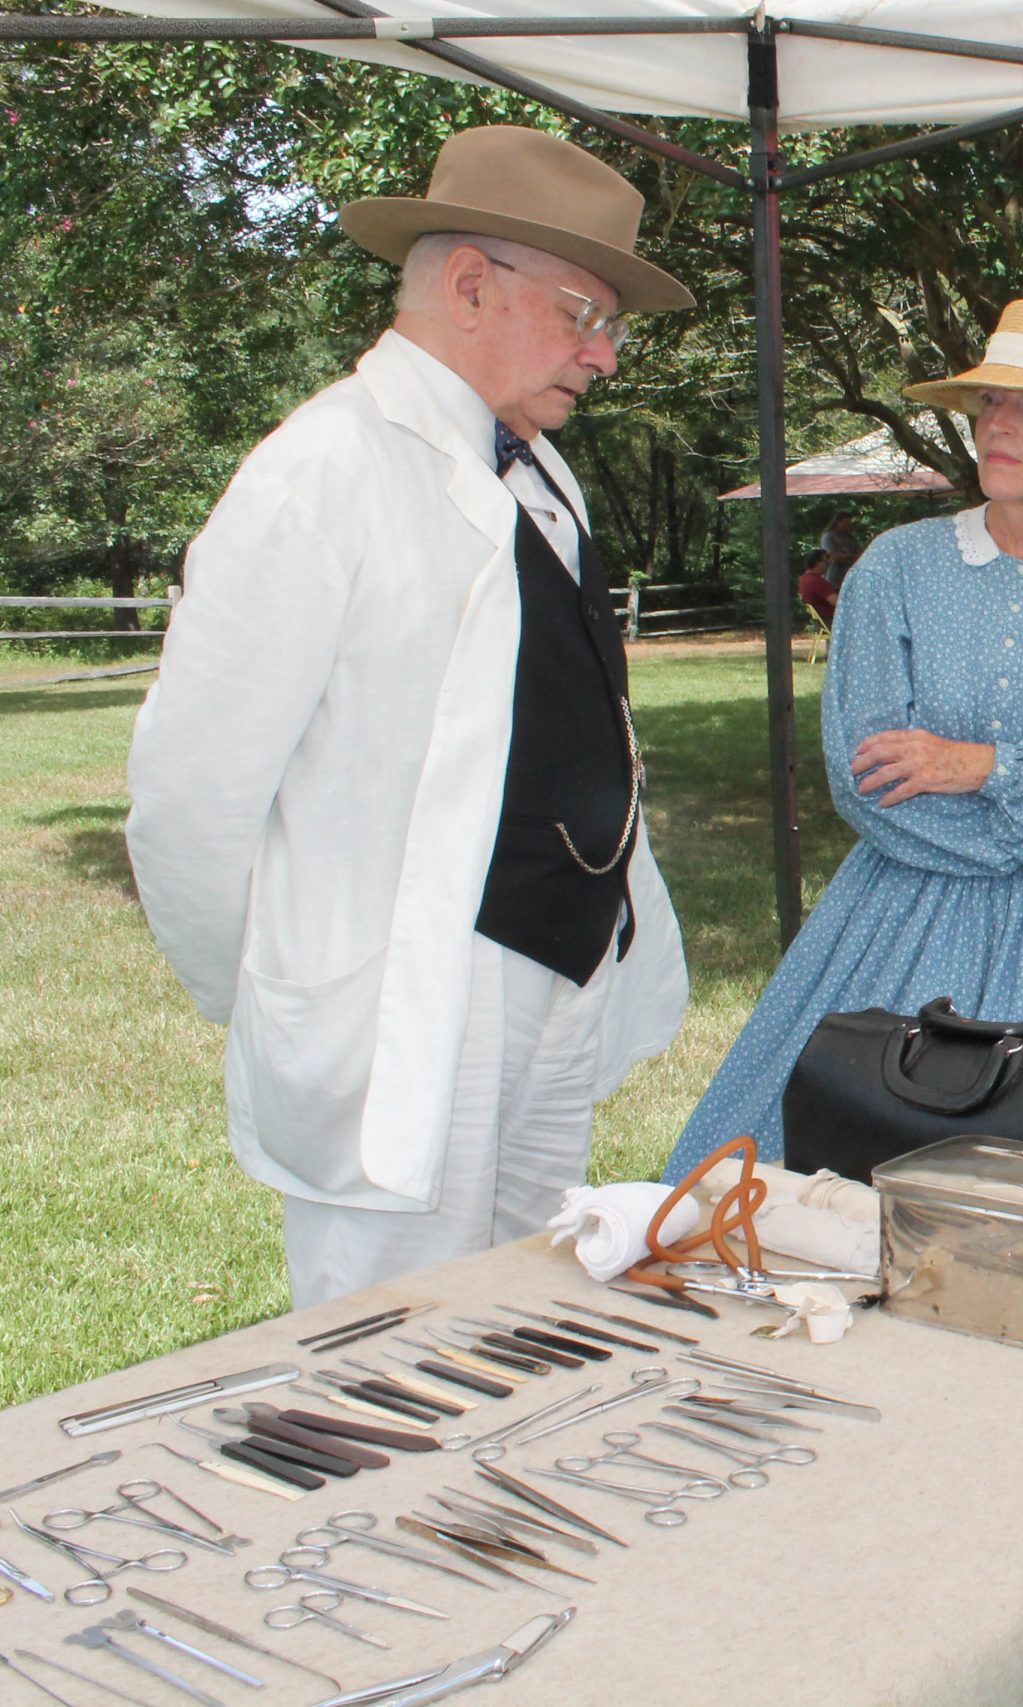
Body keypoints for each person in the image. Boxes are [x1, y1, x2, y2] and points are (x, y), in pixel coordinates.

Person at [123, 127, 694, 1307]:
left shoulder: (542, 475)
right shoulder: (322, 469)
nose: (607, 357)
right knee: (385, 1347)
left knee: (528, 1310)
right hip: (408, 993)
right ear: (471, 284)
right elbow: (191, 797)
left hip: (558, 966)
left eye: (614, 326)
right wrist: (295, 987)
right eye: (586, 313)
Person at [665, 299, 1023, 1179]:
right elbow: (868, 779)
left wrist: (978, 768)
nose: (996, 423)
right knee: (825, 1159)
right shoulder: (897, 568)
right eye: (990, 402)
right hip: (902, 915)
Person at [797, 548, 839, 629]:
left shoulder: (804, 579)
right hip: (829, 621)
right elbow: (836, 601)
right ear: (817, 563)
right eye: (826, 561)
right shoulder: (816, 581)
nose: (828, 564)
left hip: (820, 622)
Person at [818, 511, 862, 587]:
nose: (848, 526)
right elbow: (834, 558)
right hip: (834, 580)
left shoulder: (852, 538)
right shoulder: (829, 537)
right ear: (837, 522)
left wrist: (847, 558)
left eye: (849, 523)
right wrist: (851, 557)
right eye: (846, 524)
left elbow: (861, 556)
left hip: (851, 579)